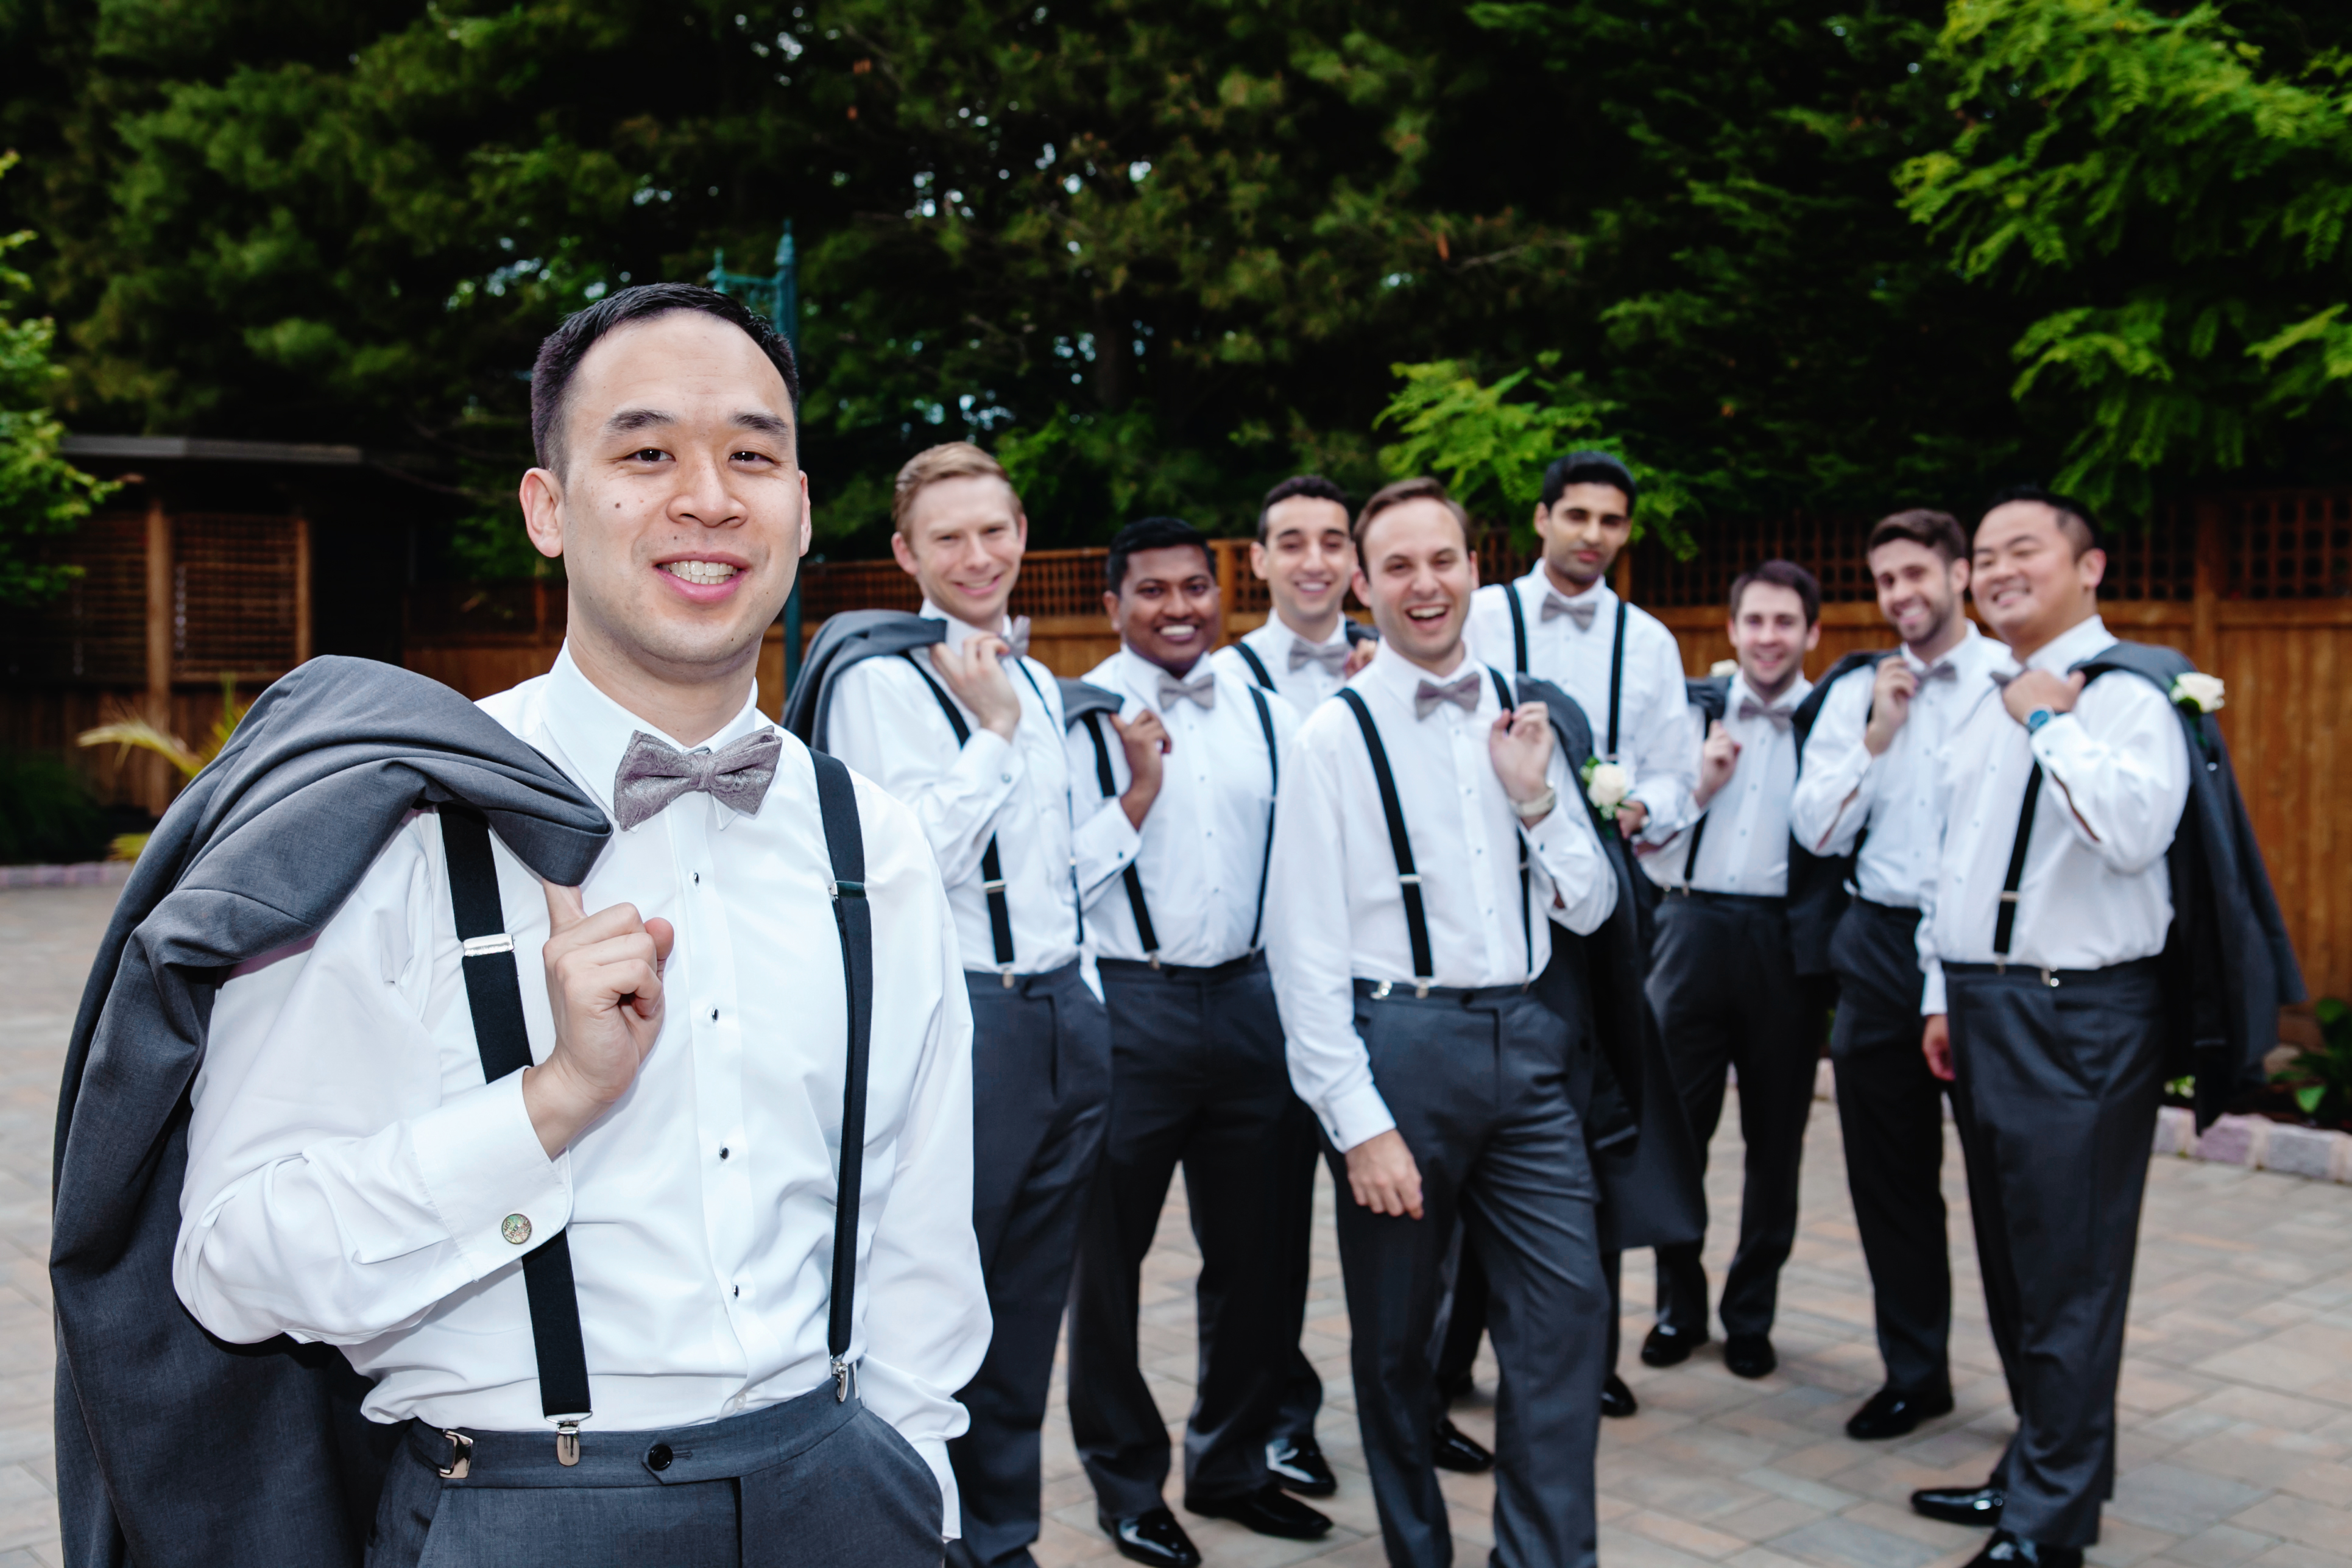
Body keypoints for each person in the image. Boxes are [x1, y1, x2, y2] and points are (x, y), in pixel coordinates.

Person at [157, 284, 988, 1564]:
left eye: (751, 455)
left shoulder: (873, 837)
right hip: (520, 1511)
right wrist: (545, 1106)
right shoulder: (397, 820)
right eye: (645, 453)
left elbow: (921, 1216)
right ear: (547, 509)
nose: (707, 498)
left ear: (801, 508)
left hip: (840, 1496)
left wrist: (910, 1477)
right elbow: (233, 1262)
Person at [1267, 476, 1619, 1568]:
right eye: (1399, 566)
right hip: (1399, 1056)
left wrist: (1536, 797)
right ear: (1363, 584)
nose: (1425, 584)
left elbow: (1591, 905)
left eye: (1443, 560)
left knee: (1565, 1324)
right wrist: (1357, 1122)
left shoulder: (1526, 709)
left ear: (1476, 567)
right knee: (1395, 1343)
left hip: (1529, 1047)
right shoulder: (1331, 737)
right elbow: (1303, 950)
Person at [825, 443, 1124, 1568]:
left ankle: (1001, 1535)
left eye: (994, 529)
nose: (977, 554)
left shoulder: (1037, 676)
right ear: (906, 555)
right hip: (967, 1022)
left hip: (1064, 1014)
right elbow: (896, 863)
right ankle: (925, 1531)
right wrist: (992, 733)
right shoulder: (877, 681)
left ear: (1022, 533)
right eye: (947, 536)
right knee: (937, 1297)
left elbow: (1055, 866)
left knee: (1030, 1302)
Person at [1907, 492, 2192, 1568]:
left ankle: (2048, 1524)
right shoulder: (1989, 692)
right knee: (2016, 1263)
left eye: (2023, 549)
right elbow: (1953, 859)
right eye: (1983, 555)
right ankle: (2037, 1464)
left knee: (2071, 1273)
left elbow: (2130, 830)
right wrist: (1941, 992)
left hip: (2080, 1014)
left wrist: (2047, 720)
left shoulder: (2129, 693)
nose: (1997, 570)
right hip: (1984, 1005)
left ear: (2090, 566)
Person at [1061, 518, 1329, 1566]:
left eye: (1194, 587)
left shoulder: (1270, 713)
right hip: (1129, 1007)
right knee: (1107, 1267)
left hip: (1255, 1003)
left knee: (1261, 1258)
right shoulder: (1075, 716)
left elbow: (1304, 873)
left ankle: (1233, 1462)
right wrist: (1135, 795)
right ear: (1112, 605)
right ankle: (1128, 1485)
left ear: (1221, 595)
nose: (1178, 607)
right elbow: (1050, 880)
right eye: (1152, 590)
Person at [1460, 448, 1699, 1419]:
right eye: (1577, 515)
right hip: (1485, 903)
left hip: (1603, 911)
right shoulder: (1478, 615)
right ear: (1542, 518)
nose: (1593, 534)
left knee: (1597, 1115)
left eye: (1611, 520)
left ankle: (1587, 1359)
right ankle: (1449, 1359)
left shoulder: (1650, 640)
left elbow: (1677, 773)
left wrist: (1639, 808)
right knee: (1478, 1116)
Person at [1787, 511, 2021, 1443]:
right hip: (1878, 950)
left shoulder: (2011, 680)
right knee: (1888, 1181)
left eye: (1916, 573)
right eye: (1886, 579)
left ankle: (2042, 1402)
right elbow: (1815, 829)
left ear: (1959, 574)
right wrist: (1875, 736)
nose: (1900, 594)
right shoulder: (1858, 692)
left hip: (1981, 956)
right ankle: (1915, 1373)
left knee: (2006, 1188)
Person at [1209, 474, 1360, 1493]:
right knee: (1264, 1236)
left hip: (1382, 993)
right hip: (1261, 999)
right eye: (1292, 541)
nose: (1314, 559)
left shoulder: (1396, 667)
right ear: (1259, 559)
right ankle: (1276, 1416)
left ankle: (1416, 1401)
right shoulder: (1215, 680)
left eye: (1332, 540)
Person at [1641, 560, 1828, 1381]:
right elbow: (1646, 843)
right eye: (1755, 620)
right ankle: (1677, 1306)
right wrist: (1701, 784)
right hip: (1689, 927)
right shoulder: (1685, 716)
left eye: (1785, 622)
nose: (1768, 637)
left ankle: (1751, 1314)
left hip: (1786, 943)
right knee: (1676, 1133)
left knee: (1775, 1142)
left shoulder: (1832, 721)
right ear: (1732, 629)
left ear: (1812, 632)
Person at [1215, 474, 1376, 710]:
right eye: (1292, 546)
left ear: (1353, 558)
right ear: (1260, 561)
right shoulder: (1224, 679)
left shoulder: (1388, 663)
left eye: (1332, 545)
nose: (1314, 565)